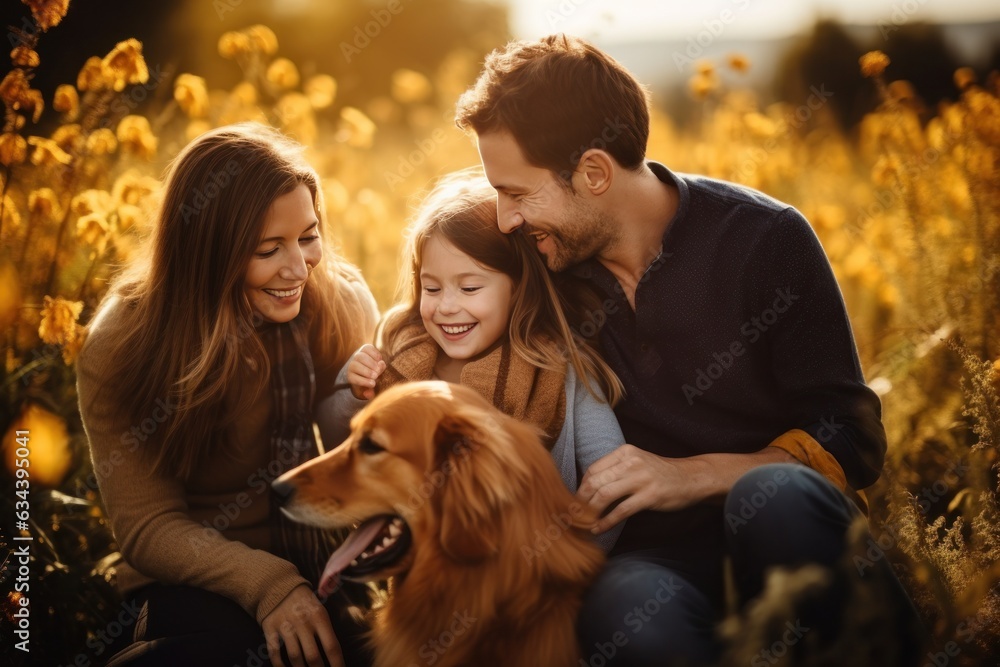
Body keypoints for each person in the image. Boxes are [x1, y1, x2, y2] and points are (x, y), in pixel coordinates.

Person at [454, 34, 923, 666]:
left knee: (779, 500)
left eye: (517, 193)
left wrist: (688, 476)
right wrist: (380, 360)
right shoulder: (542, 261)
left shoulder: (765, 238)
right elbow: (449, 311)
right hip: (657, 561)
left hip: (785, 529)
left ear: (593, 172)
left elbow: (852, 436)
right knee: (623, 611)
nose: (505, 218)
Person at [76, 123, 379, 667]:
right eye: (269, 249)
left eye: (308, 236)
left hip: (323, 562)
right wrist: (271, 586)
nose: (298, 268)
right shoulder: (123, 343)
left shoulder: (341, 302)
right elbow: (148, 526)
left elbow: (363, 447)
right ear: (208, 254)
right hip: (191, 576)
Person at [319, 172, 627, 551]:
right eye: (432, 288)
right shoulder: (401, 360)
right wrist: (354, 392)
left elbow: (609, 482)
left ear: (517, 289)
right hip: (426, 573)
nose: (447, 307)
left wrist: (565, 565)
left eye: (469, 288)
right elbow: (338, 443)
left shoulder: (561, 373)